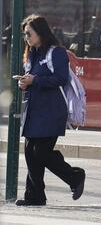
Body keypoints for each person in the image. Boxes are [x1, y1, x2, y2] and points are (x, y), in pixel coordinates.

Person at [14, 15, 85, 206]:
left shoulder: (57, 53)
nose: (26, 37)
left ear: (40, 32)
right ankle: (35, 196)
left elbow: (61, 79)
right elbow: (33, 79)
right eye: (24, 34)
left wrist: (34, 80)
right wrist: (25, 84)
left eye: (29, 33)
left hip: (51, 111)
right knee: (31, 153)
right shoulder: (32, 54)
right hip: (33, 111)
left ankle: (75, 177)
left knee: (41, 153)